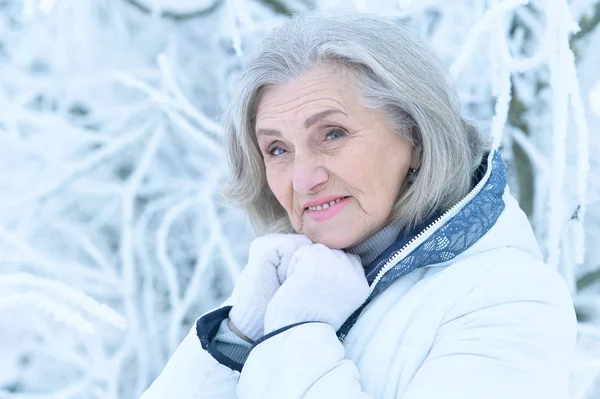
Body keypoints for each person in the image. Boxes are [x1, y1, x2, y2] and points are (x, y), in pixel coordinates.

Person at [141, 12, 576, 399]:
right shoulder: (289, 288)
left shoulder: (509, 299)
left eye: (332, 134)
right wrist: (238, 339)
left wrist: (296, 334)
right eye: (277, 149)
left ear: (416, 139)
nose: (303, 178)